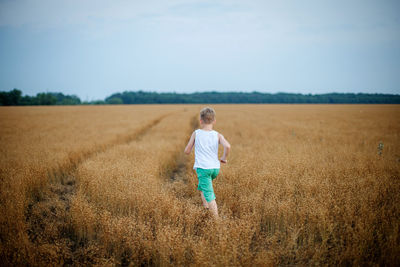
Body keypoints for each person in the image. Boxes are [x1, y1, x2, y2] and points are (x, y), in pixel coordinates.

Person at [184, 107, 231, 218]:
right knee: (202, 187)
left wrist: (191, 148)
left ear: (200, 121)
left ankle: (216, 221)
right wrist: (224, 157)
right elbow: (228, 146)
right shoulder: (217, 135)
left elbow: (187, 151)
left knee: (209, 194)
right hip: (215, 168)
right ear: (214, 121)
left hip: (203, 169)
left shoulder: (196, 133)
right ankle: (206, 209)